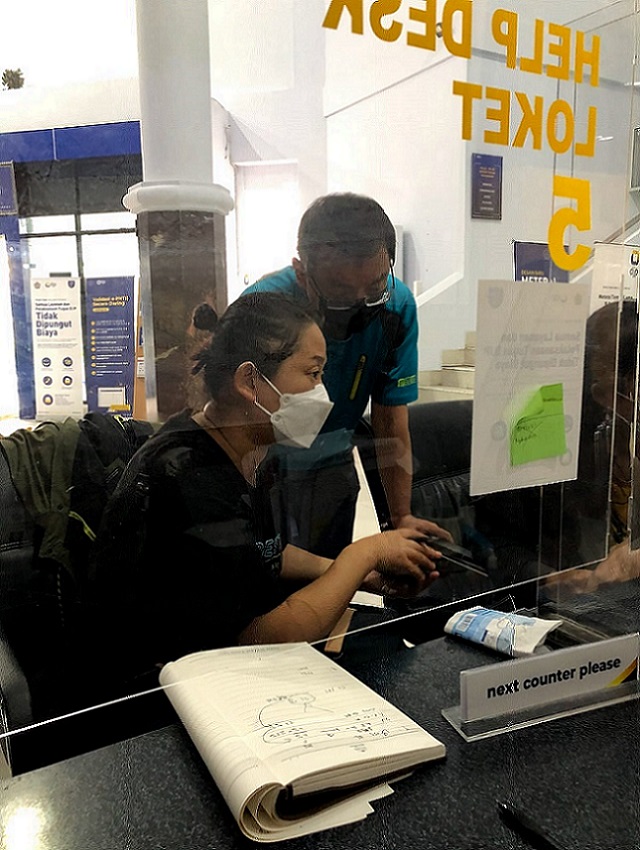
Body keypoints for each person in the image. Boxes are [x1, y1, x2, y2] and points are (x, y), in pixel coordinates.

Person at [93, 293, 443, 687]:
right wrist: (365, 554)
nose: (321, 392)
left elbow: (264, 550)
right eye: (312, 373)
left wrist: (357, 574)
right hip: (165, 691)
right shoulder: (190, 475)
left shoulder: (253, 449)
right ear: (250, 382)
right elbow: (267, 638)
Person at [244, 192, 450, 558]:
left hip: (334, 459)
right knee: (266, 568)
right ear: (302, 273)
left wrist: (401, 517)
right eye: (339, 291)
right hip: (264, 462)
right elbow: (232, 420)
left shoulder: (396, 307)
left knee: (330, 559)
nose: (360, 305)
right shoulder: (263, 307)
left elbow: (390, 420)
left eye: (375, 286)